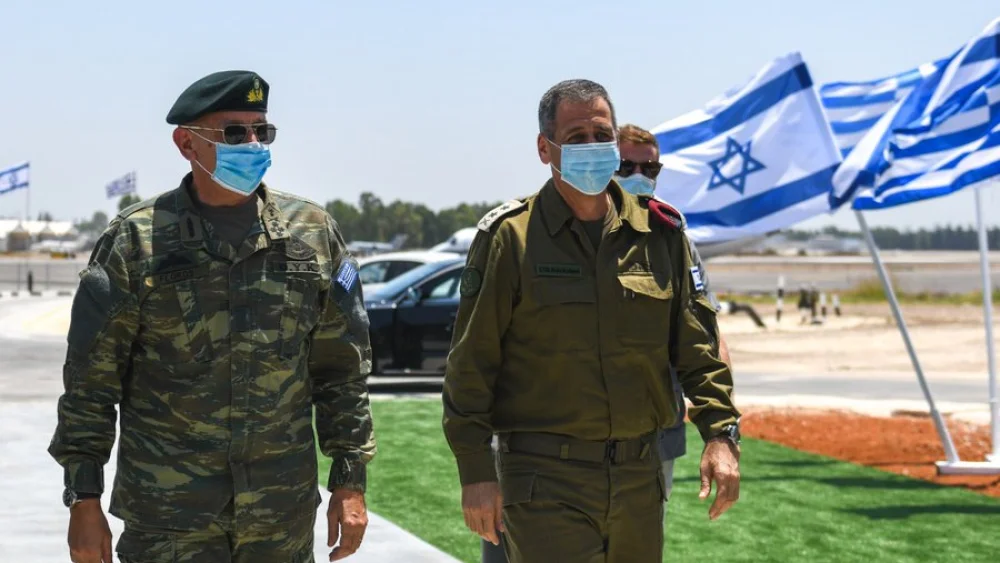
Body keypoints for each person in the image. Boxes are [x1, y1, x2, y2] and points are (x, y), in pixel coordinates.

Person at [48, 70, 376, 563]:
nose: (251, 144)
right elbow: (91, 385)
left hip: (278, 516)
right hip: (169, 520)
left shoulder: (311, 235)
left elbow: (341, 372)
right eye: (233, 132)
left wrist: (349, 483)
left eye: (261, 131)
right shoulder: (136, 242)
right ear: (186, 143)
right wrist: (83, 499)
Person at [443, 79, 741, 563]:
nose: (591, 147)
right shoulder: (510, 238)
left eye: (601, 134)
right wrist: (476, 471)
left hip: (638, 479)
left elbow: (698, 352)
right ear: (546, 148)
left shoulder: (659, 234)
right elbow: (471, 366)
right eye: (575, 136)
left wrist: (720, 435)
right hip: (544, 479)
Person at [614, 123, 733, 507]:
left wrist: (723, 431)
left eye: (649, 170)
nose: (638, 177)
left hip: (655, 435)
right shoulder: (568, 237)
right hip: (576, 436)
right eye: (626, 167)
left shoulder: (673, 239)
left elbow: (708, 335)